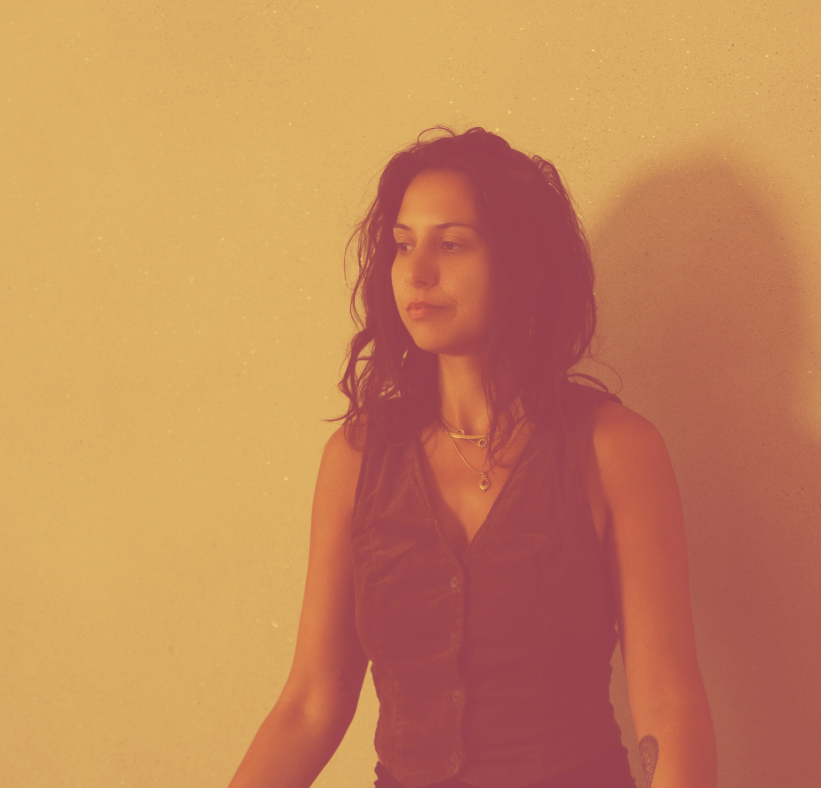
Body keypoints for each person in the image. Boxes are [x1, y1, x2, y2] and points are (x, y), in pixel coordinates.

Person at [226, 126, 717, 788]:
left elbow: (668, 704)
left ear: (525, 265)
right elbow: (312, 703)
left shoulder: (616, 451)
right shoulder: (357, 459)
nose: (418, 272)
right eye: (403, 245)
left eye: (451, 243)